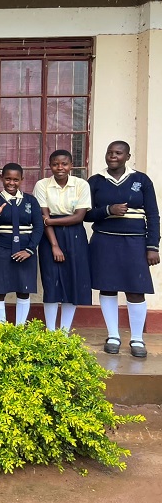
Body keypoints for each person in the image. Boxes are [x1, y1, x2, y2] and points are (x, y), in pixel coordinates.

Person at [85, 141, 160, 358]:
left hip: (135, 242)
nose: (113, 156)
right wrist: (108, 210)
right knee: (107, 288)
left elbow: (153, 215)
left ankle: (137, 338)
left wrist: (152, 246)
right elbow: (86, 214)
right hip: (104, 240)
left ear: (128, 156)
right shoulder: (96, 181)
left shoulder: (141, 180)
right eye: (110, 152)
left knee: (135, 289)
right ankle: (113, 336)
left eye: (118, 153)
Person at [33, 150, 92, 332]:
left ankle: (64, 332)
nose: (60, 168)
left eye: (64, 164)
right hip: (49, 236)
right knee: (51, 282)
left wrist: (49, 220)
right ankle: (51, 331)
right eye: (55, 164)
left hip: (75, 235)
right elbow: (43, 215)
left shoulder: (81, 184)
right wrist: (54, 245)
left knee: (72, 281)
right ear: (50, 165)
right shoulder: (42, 185)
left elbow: (78, 217)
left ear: (71, 166)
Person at [0, 163, 43, 325]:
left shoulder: (30, 201)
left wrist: (30, 250)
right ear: (1, 178)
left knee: (23, 291)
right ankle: (2, 329)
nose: (11, 183)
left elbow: (39, 227)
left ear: (22, 180)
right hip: (2, 251)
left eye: (16, 180)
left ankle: (19, 329)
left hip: (26, 251)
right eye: (8, 179)